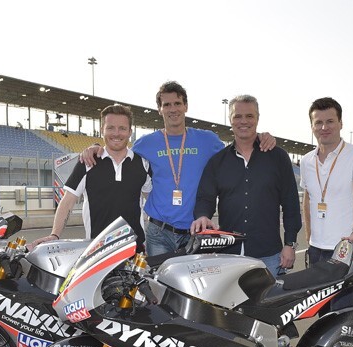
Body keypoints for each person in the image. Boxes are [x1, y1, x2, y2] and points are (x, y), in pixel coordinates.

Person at [80, 81, 276, 256]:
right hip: (158, 232)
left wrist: (259, 137)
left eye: (177, 103)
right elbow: (118, 148)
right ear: (159, 109)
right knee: (158, 291)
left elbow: (236, 151)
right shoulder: (145, 144)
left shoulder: (207, 140)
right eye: (166, 105)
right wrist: (96, 147)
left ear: (186, 106)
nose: (172, 109)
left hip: (195, 232)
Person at [191, 95, 301, 277]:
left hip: (269, 256)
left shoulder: (278, 157)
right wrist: (202, 215)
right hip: (228, 256)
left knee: (270, 305)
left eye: (249, 116)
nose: (243, 121)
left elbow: (291, 204)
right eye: (237, 116)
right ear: (230, 120)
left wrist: (290, 244)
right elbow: (205, 197)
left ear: (257, 118)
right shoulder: (217, 162)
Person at [32, 104, 151, 249]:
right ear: (102, 130)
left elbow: (152, 200)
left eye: (122, 128)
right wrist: (55, 234)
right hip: (97, 251)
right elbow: (68, 201)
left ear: (130, 132)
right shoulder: (88, 162)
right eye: (110, 128)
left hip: (135, 249)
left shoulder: (143, 164)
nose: (116, 133)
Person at [300, 97, 353, 310]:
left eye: (330, 121)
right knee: (320, 310)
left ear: (341, 123)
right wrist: (309, 237)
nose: (324, 127)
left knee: (340, 311)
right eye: (318, 122)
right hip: (317, 248)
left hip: (345, 247)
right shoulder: (306, 161)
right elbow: (308, 199)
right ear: (312, 126)